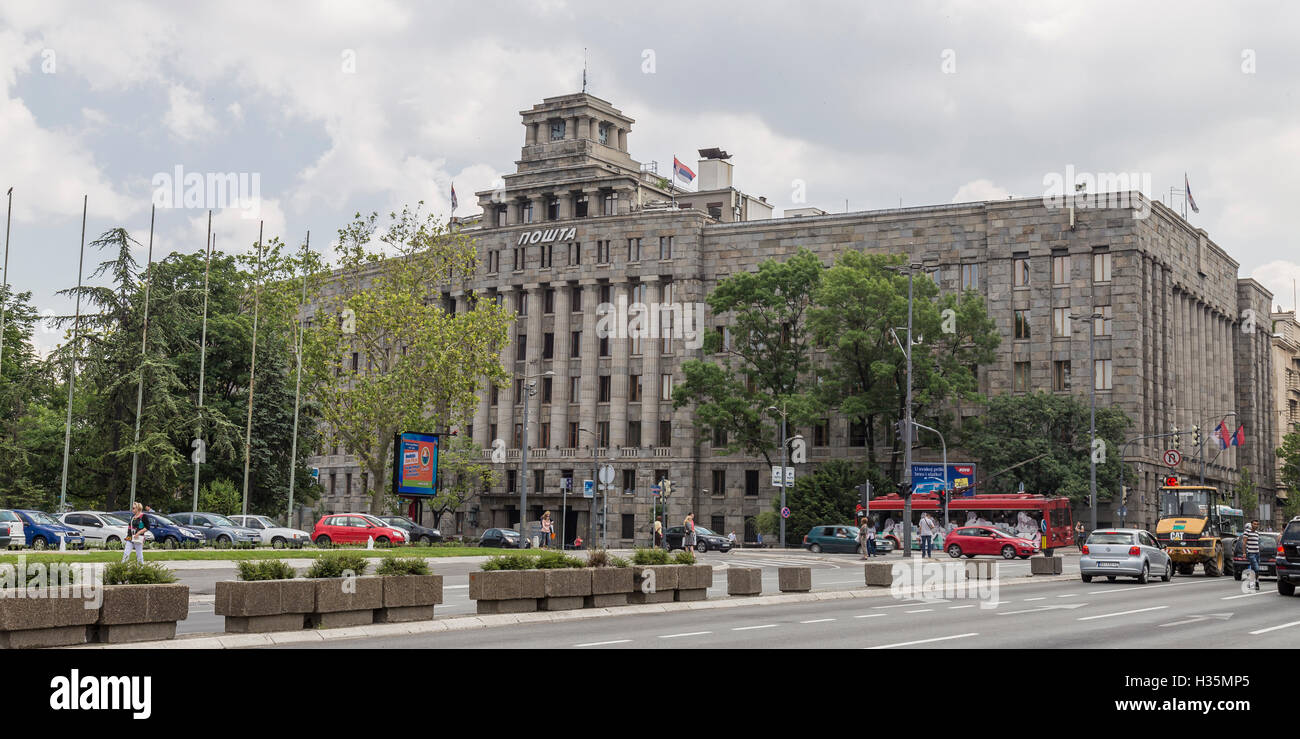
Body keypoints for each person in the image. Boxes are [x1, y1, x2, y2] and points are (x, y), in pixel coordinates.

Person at [1242, 522, 1261, 590]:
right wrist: (1244, 553)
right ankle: (1256, 582)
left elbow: (1257, 543)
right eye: (1254, 524)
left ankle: (1252, 583)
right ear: (1251, 524)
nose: (1256, 525)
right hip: (1251, 553)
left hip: (1257, 553)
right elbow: (1244, 543)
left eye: (1257, 524)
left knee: (1253, 569)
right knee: (1256, 568)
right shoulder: (1247, 532)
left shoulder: (1257, 533)